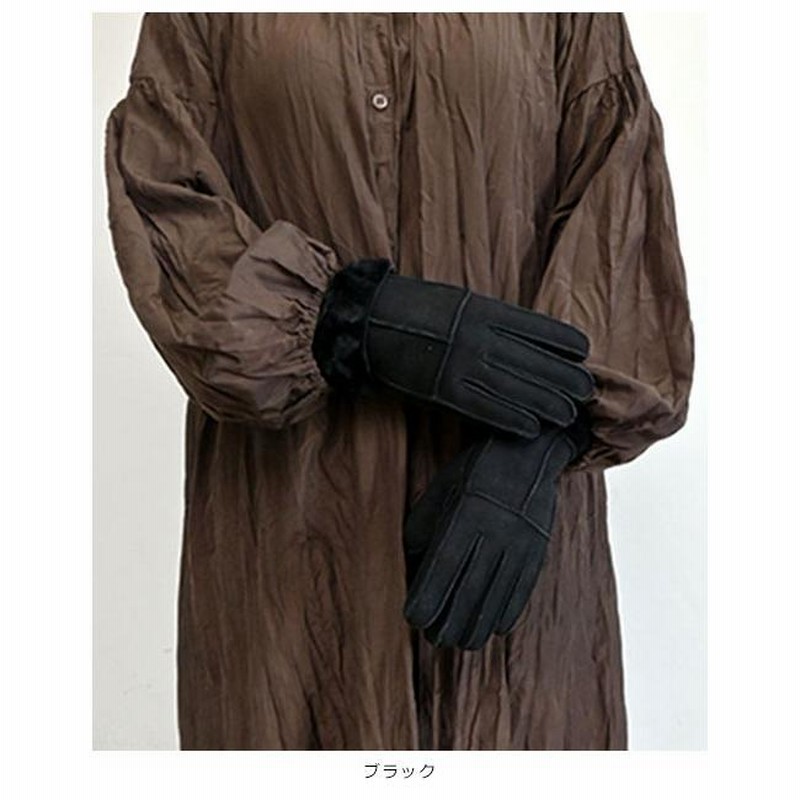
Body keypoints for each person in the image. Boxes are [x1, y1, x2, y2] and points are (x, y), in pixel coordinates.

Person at [104, 12, 694, 750]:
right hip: (290, 526)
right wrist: (355, 319)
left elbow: (620, 208)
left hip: (513, 526)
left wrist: (542, 442)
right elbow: (164, 195)